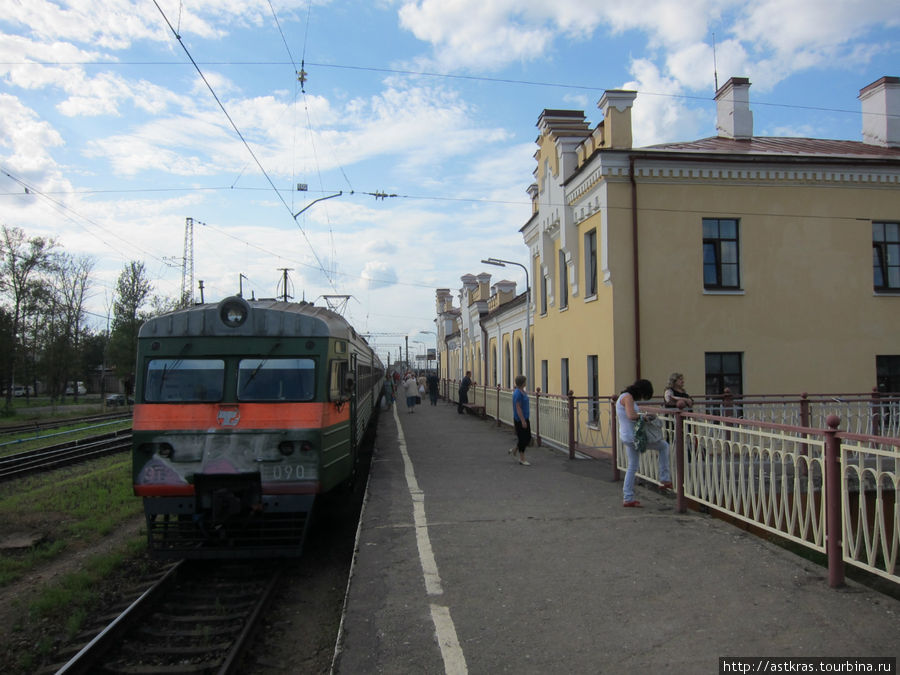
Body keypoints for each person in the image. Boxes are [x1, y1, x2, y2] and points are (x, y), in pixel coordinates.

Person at [616, 378, 671, 507]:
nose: (642, 398)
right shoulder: (628, 398)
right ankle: (664, 479)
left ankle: (628, 497)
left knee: (632, 466)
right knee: (663, 446)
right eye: (643, 395)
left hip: (627, 436)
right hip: (633, 437)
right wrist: (644, 417)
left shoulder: (623, 397)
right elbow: (631, 416)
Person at [508, 375, 531, 466]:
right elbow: (518, 408)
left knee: (527, 437)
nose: (526, 382)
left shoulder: (522, 392)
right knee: (522, 439)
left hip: (525, 417)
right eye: (525, 381)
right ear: (522, 383)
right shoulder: (517, 393)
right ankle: (522, 458)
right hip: (520, 419)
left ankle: (515, 450)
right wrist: (523, 421)